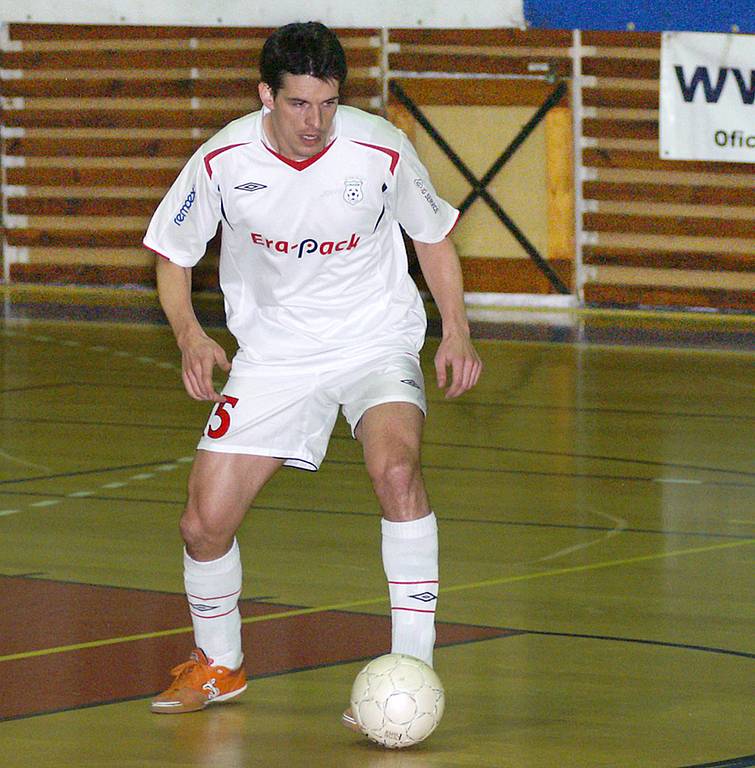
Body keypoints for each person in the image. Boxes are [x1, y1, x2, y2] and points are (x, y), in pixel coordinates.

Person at [143, 21, 482, 722]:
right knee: (202, 525)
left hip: (374, 338)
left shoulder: (379, 148)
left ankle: (411, 672)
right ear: (265, 95)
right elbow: (173, 254)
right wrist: (189, 336)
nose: (315, 122)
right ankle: (220, 664)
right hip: (274, 355)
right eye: (299, 104)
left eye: (327, 104)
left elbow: (432, 236)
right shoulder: (222, 160)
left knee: (395, 472)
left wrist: (456, 330)